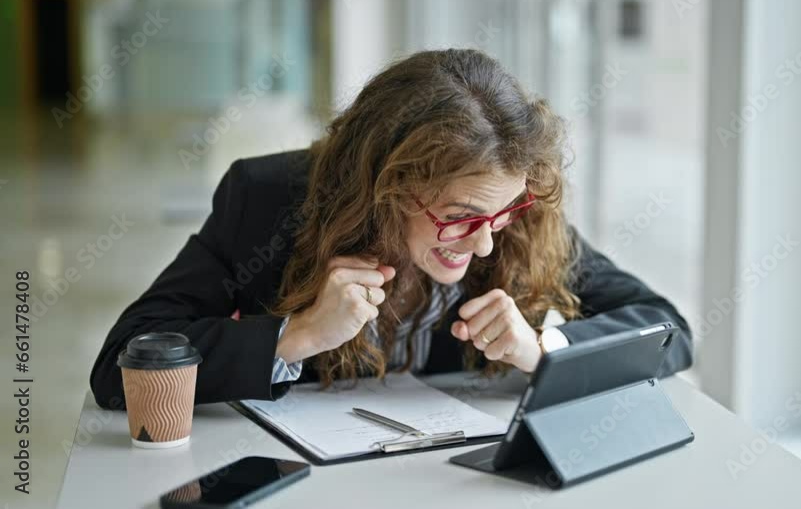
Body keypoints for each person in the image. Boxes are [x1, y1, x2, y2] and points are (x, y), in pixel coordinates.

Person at [89, 49, 692, 409]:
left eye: (502, 213)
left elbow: (668, 329)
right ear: (388, 188)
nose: (486, 242)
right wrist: (294, 337)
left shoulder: (512, 223)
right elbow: (121, 364)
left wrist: (542, 351)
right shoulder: (265, 200)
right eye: (460, 219)